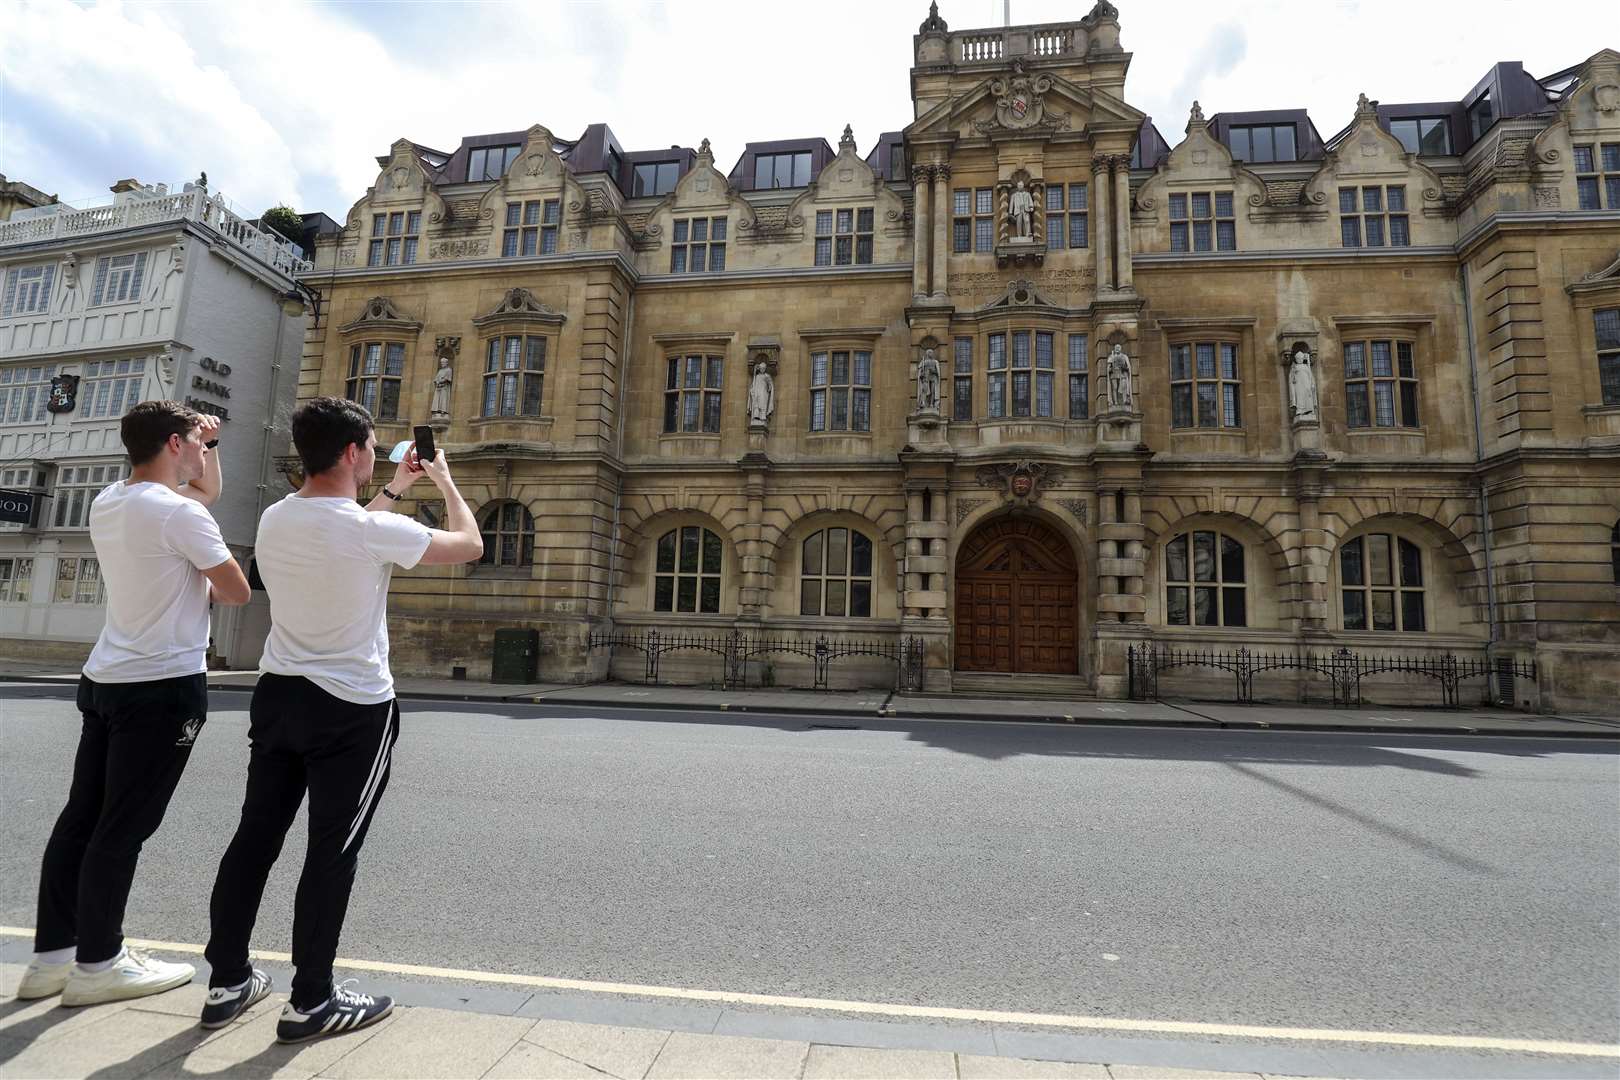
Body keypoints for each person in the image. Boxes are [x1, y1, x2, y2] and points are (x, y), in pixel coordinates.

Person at [199, 396, 483, 1041]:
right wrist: (442, 481)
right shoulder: (366, 529)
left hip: (279, 694)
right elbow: (469, 545)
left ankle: (227, 981)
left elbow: (349, 527)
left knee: (253, 842)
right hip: (351, 706)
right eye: (373, 447)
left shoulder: (277, 517)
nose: (378, 454)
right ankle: (312, 1002)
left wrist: (395, 486)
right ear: (352, 452)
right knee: (331, 853)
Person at [18, 402, 250, 1006]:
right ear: (175, 444)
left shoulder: (109, 500)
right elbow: (236, 591)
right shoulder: (179, 516)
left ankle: (52, 959)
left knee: (81, 818)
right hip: (163, 684)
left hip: (106, 676)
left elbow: (203, 493)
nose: (203, 455)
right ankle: (100, 963)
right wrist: (202, 574)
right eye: (197, 444)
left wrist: (213, 442)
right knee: (122, 827)